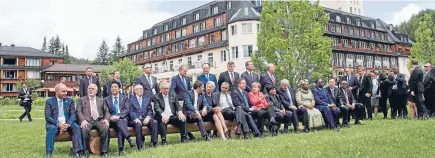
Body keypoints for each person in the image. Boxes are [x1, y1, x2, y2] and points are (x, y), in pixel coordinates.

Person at [44, 83, 84, 158]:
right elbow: (48, 117)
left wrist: (68, 123)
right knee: (51, 128)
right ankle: (49, 153)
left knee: (76, 127)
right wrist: (58, 124)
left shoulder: (70, 100)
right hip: (54, 123)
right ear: (57, 92)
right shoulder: (49, 101)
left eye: (66, 91)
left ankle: (77, 152)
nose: (66, 93)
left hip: (67, 123)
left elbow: (73, 115)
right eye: (63, 91)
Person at [76, 84, 110, 157]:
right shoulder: (82, 99)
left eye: (92, 89)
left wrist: (106, 119)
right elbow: (78, 111)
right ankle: (86, 151)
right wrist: (83, 120)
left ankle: (104, 151)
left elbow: (107, 111)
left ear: (96, 91)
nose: (90, 90)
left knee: (105, 128)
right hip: (87, 120)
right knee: (84, 129)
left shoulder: (101, 100)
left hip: (99, 120)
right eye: (89, 88)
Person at [104, 81, 135, 156]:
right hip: (111, 120)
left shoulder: (125, 98)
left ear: (119, 89)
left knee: (121, 123)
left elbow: (127, 109)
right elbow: (106, 110)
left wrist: (118, 116)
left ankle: (121, 150)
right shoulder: (106, 99)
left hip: (121, 118)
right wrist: (110, 117)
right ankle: (128, 140)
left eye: (115, 87)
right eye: (112, 87)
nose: (113, 88)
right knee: (121, 123)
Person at [129, 84, 158, 149]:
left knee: (154, 122)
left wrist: (148, 117)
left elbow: (150, 110)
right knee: (138, 124)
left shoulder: (147, 99)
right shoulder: (131, 100)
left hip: (145, 118)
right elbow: (131, 111)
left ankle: (155, 142)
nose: (141, 90)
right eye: (139, 89)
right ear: (135, 91)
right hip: (136, 119)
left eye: (142, 89)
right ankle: (140, 145)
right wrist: (135, 118)